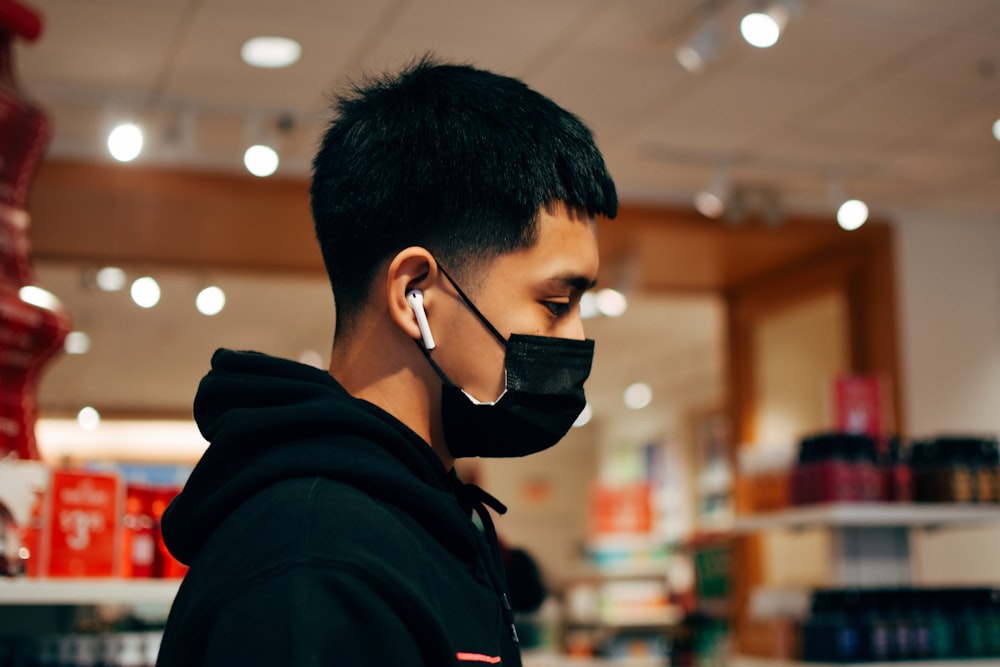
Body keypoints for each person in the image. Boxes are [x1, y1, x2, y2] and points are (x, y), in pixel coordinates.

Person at [156, 56, 617, 666]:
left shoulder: (429, 522)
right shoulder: (313, 567)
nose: (576, 337)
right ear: (414, 294)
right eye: (555, 303)